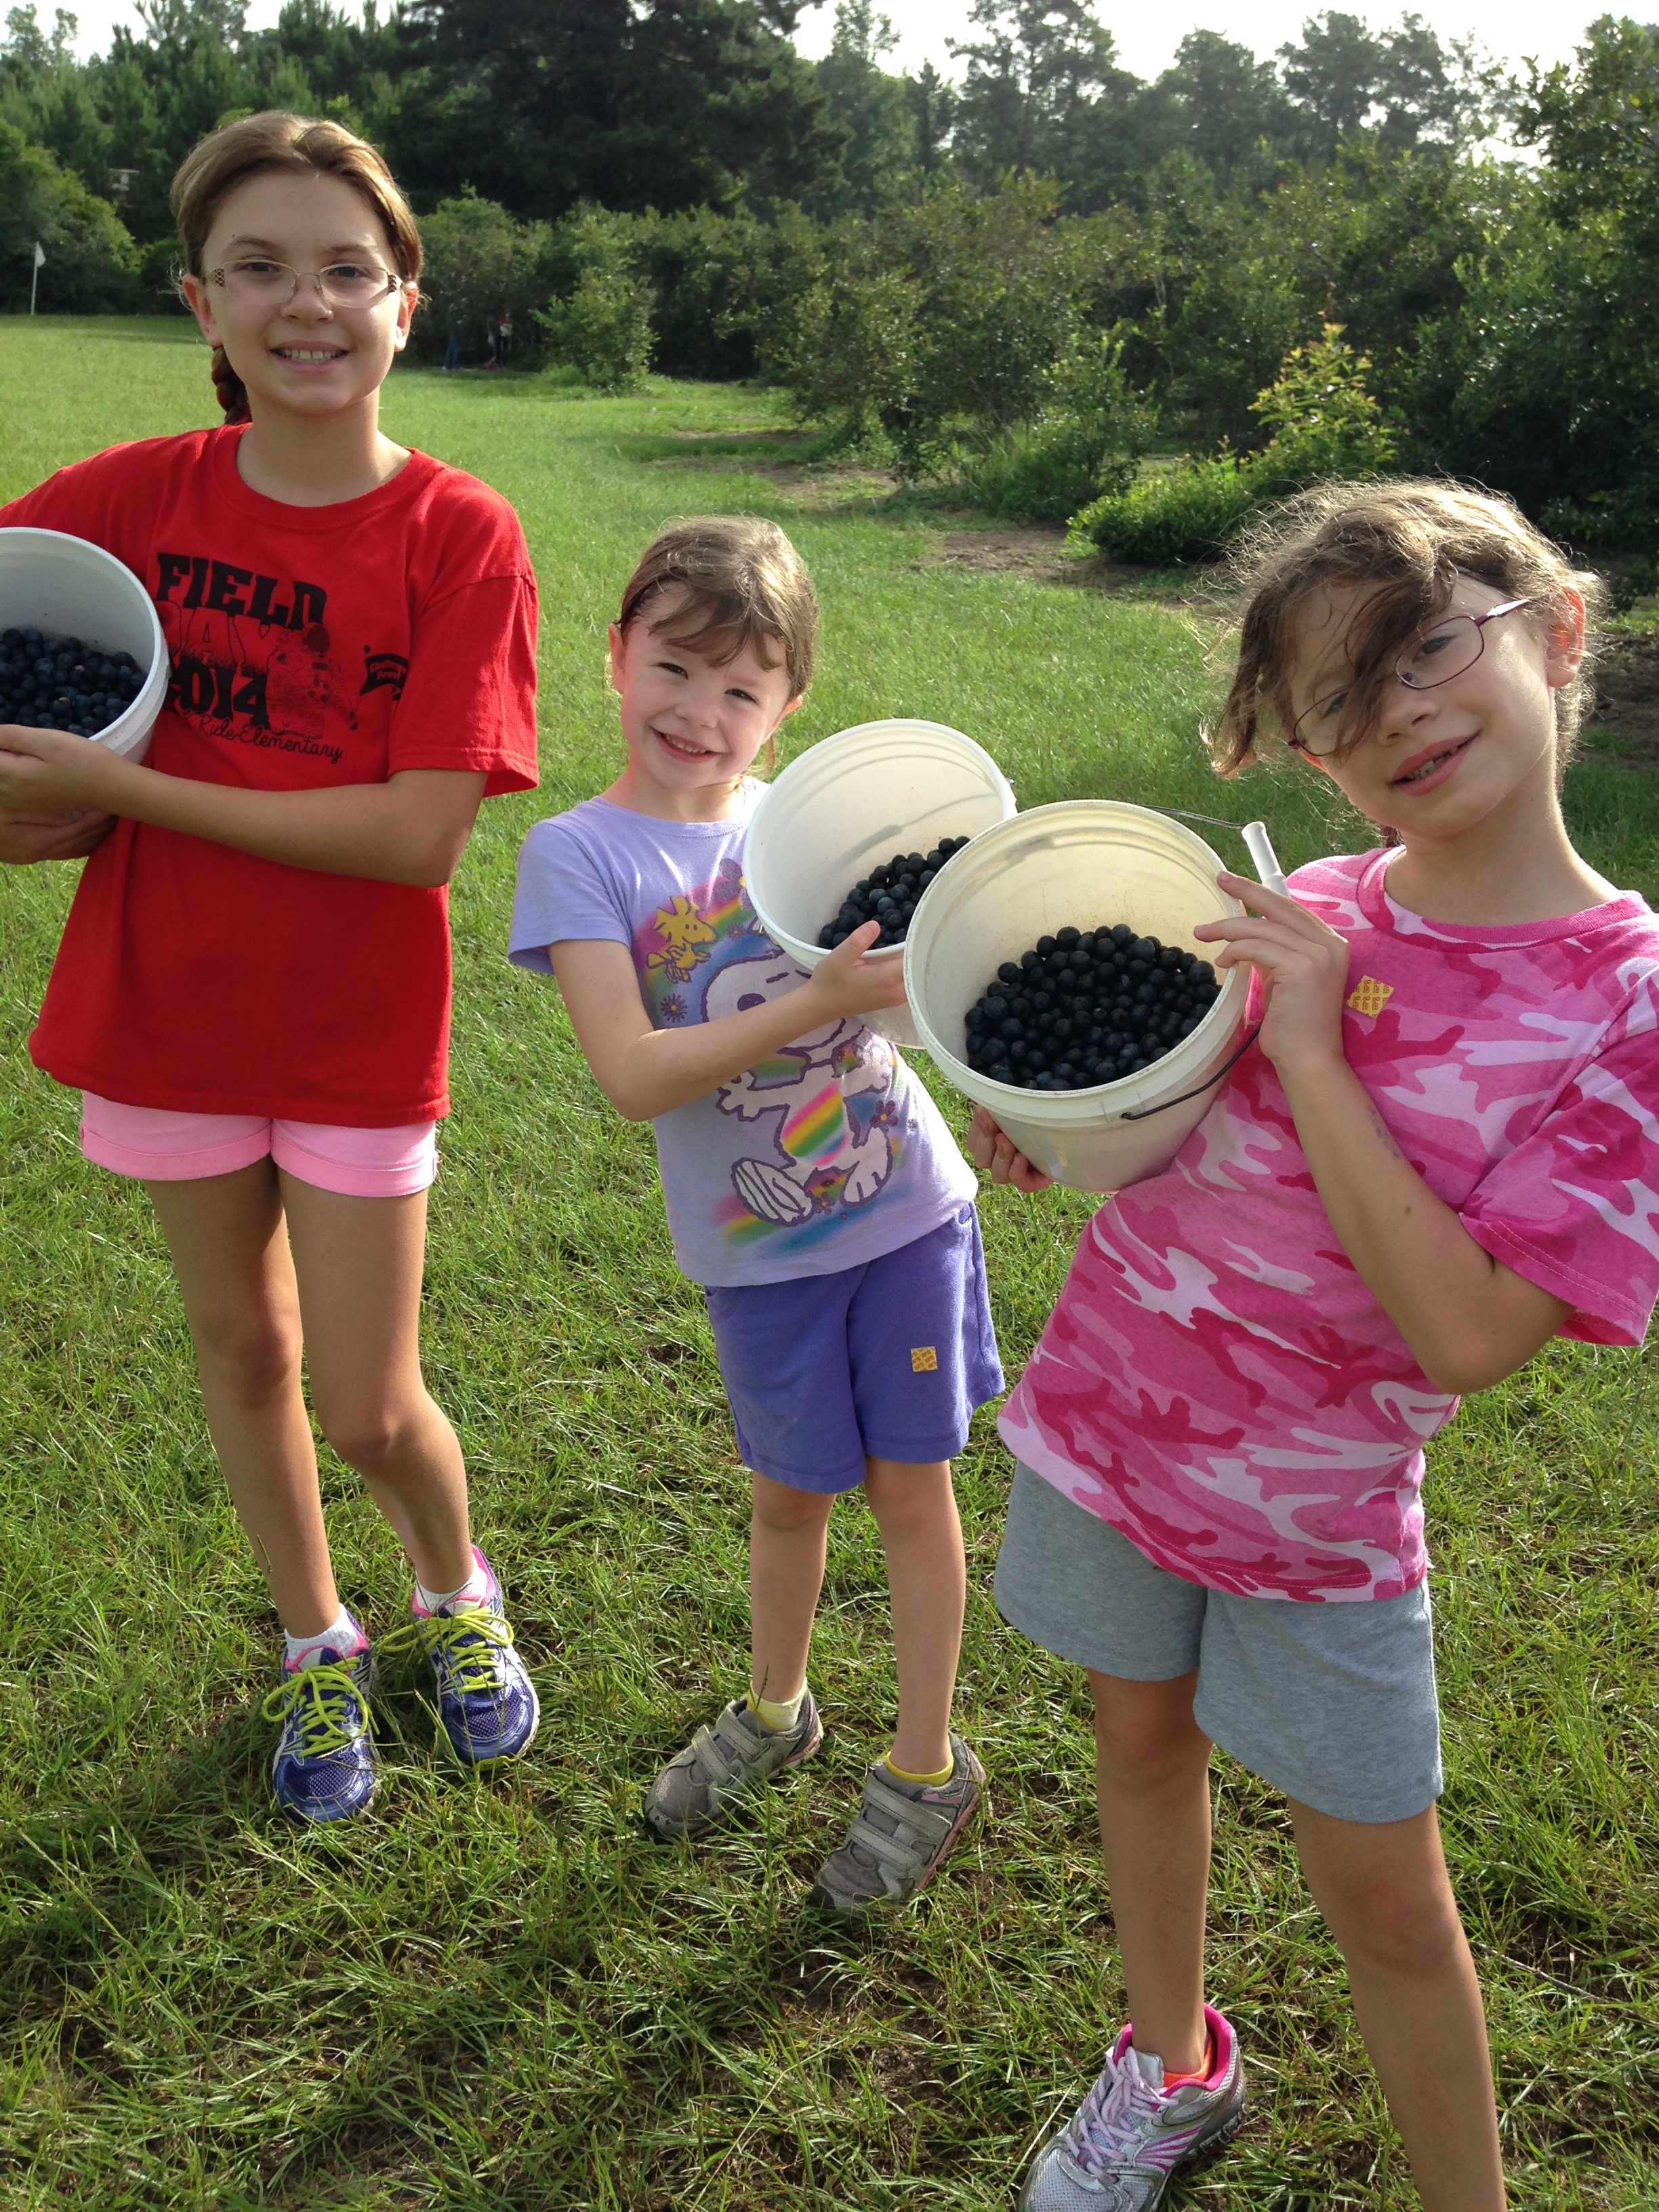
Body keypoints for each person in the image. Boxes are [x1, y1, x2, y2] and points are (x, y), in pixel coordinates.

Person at [975, 480, 1659, 2211]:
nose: (1400, 713)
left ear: (1557, 629)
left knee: (1389, 1904)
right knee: (1137, 1746)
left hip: (1318, 1527)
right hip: (1118, 1429)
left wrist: (1324, 1048)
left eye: (1432, 646)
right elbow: (1178, 1135)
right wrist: (1058, 1121)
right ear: (1314, 756)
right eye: (1343, 703)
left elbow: (1471, 1329)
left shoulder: (1624, 1004)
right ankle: (1171, 2068)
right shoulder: (1320, 899)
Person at [0, 110, 544, 1824]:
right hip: (167, 1014)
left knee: (374, 1405)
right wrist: (41, 814)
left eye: (343, 269)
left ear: (403, 301)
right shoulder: (133, 500)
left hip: (356, 1029)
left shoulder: (460, 532)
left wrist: (118, 787)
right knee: (241, 1355)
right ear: (201, 303)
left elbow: (417, 836)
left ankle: (456, 1598)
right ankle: (318, 1638)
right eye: (260, 269)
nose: (305, 303)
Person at [508, 517, 1003, 1908]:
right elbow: (632, 1073)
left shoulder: (813, 829)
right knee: (788, 1498)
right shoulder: (580, 855)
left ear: (790, 709)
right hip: (760, 1254)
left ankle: (924, 1764)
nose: (702, 714)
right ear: (613, 659)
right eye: (676, 668)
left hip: (904, 1213)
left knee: (913, 1490)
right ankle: (778, 1707)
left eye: (744, 690)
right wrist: (821, 1001)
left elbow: (922, 1000)